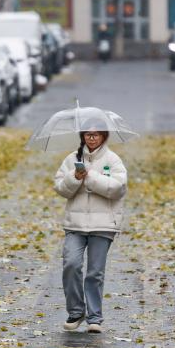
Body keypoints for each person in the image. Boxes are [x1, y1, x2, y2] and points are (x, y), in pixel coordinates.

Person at [53, 122, 128, 333]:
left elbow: (117, 188)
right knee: (71, 264)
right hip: (75, 225)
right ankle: (76, 311)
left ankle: (95, 317)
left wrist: (90, 177)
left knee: (95, 272)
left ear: (103, 136)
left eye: (95, 135)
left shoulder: (113, 160)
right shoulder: (72, 159)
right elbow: (60, 188)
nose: (91, 138)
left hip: (103, 225)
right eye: (88, 134)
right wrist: (74, 178)